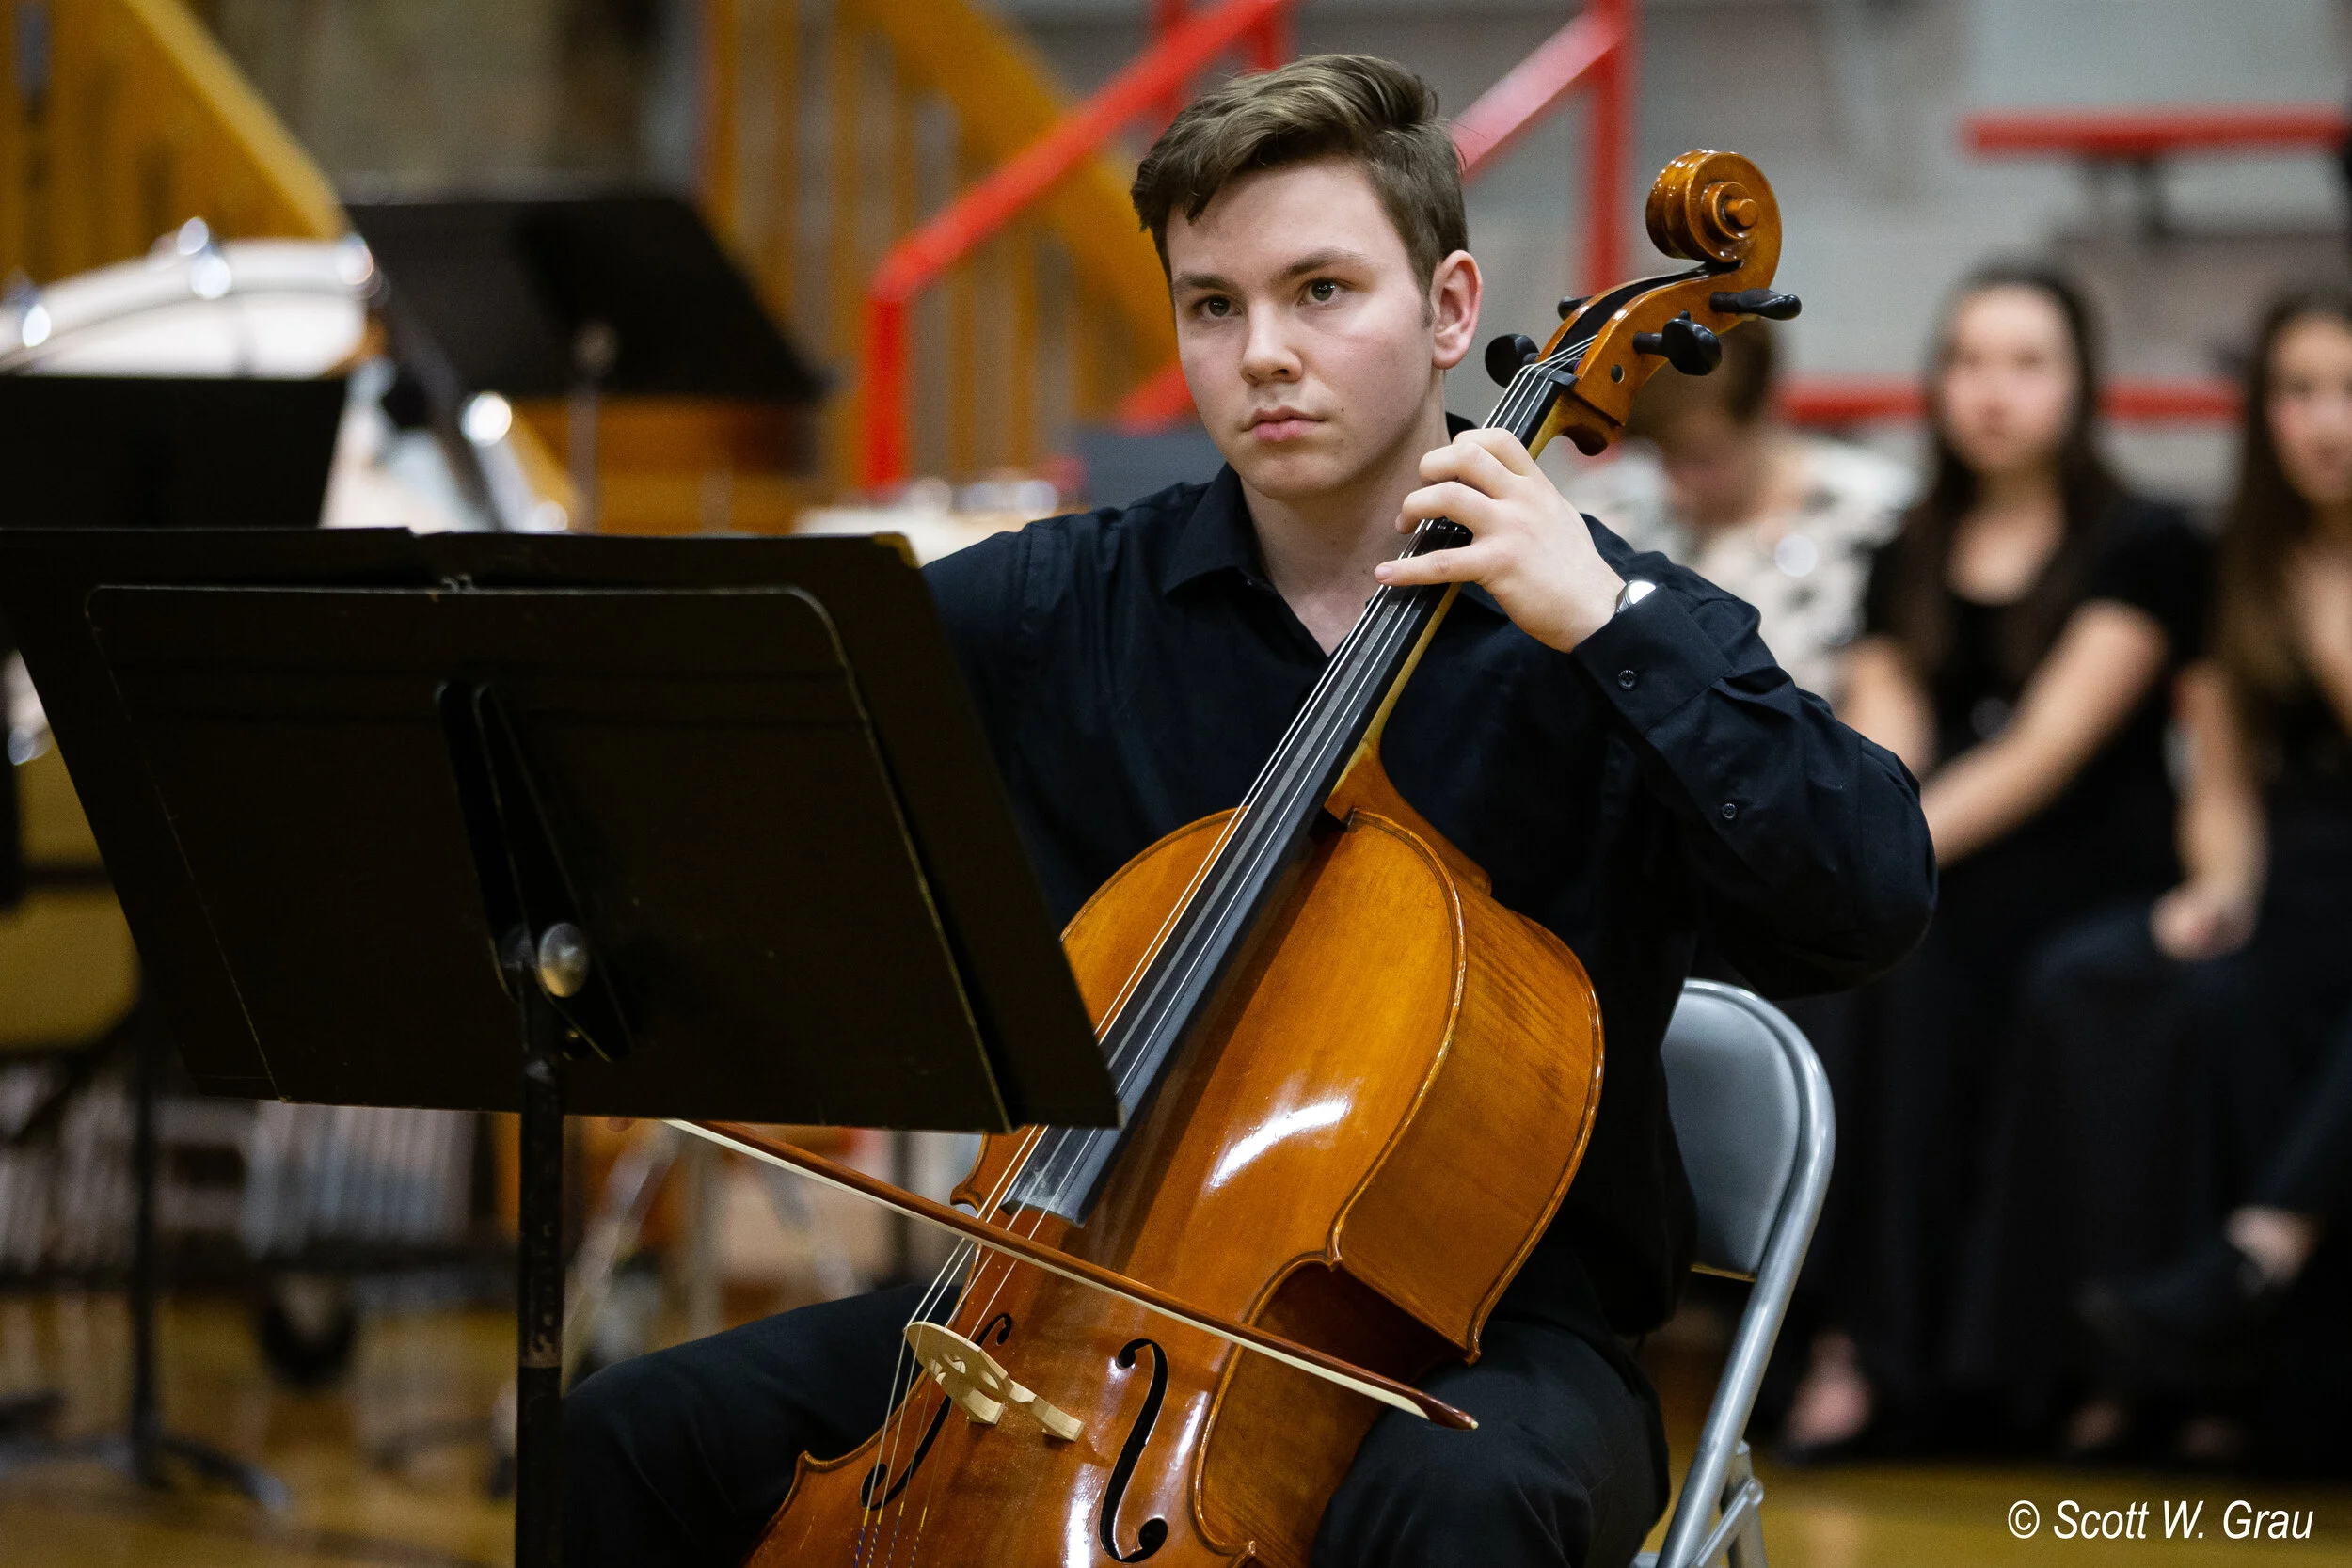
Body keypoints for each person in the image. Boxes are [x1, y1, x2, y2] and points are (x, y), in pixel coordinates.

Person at [562, 55, 1934, 1568]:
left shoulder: (1606, 625)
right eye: (1212, 305)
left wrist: (1613, 626)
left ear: (1451, 308)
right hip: (1066, 1289)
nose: (1263, 353)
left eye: (1321, 290)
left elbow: (1870, 892)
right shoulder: (1065, 605)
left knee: (1457, 1515)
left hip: (1483, 1347)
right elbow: (757, 726)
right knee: (627, 1438)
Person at [1783, 266, 2208, 1457]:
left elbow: (2044, 750)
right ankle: (1859, 1341)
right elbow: (1886, 740)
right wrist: (1864, 853)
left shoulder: (2146, 541)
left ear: (2079, 384)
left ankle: (1912, 1354)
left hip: (2086, 862)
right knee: (1856, 962)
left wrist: (1893, 857)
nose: (1992, 391)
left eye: (2026, 363)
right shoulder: (1905, 546)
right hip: (1950, 863)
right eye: (1968, 361)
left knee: (1906, 951)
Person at [1968, 286, 2352, 1465]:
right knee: (2100, 978)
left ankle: (2262, 1250)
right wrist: (2218, 884)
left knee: (2269, 997)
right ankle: (2104, 1356)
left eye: (2348, 390)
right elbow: (2224, 775)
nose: (2325, 420)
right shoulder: (2237, 559)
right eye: (2296, 391)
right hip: (2296, 864)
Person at [1570, 320, 1912, 706]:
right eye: (1661, 455)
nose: (1676, 488)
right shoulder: (1610, 511)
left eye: (1701, 457)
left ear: (1763, 410)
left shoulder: (1875, 517)